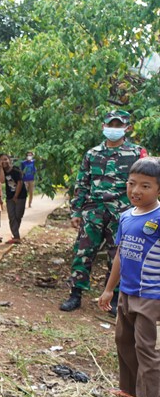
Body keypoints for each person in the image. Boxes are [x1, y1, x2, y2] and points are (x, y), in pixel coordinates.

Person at [60, 110, 146, 312]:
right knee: (83, 252)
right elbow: (82, 183)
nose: (113, 129)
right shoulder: (92, 154)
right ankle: (75, 294)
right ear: (103, 126)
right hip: (94, 211)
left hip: (123, 212)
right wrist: (76, 212)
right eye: (111, 125)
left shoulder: (137, 153)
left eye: (118, 125)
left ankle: (115, 298)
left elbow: (145, 182)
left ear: (127, 128)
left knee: (117, 254)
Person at [98, 157, 160, 397]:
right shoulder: (125, 216)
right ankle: (130, 388)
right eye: (132, 184)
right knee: (123, 340)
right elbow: (121, 256)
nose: (136, 190)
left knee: (147, 350)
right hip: (127, 293)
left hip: (151, 296)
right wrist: (110, 288)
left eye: (145, 186)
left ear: (158, 189)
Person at [0, 154, 27, 244]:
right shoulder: (1, 171)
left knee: (18, 215)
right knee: (12, 216)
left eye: (5, 159)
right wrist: (0, 168)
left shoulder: (16, 170)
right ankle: (16, 237)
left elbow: (20, 183)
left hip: (21, 196)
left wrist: (16, 196)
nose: (4, 161)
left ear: (9, 160)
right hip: (9, 197)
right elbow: (2, 181)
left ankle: (15, 234)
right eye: (1, 160)